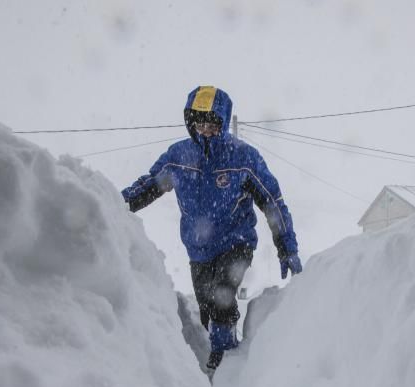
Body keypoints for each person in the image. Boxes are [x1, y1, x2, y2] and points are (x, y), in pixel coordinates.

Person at [122, 85, 302, 371]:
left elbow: (273, 202)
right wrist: (113, 205)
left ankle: (228, 363)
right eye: (199, 123)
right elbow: (147, 186)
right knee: (207, 310)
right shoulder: (179, 156)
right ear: (190, 122)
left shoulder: (243, 158)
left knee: (222, 295)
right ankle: (214, 362)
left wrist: (286, 247)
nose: (205, 130)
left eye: (212, 124)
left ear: (223, 122)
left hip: (236, 241)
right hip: (198, 250)